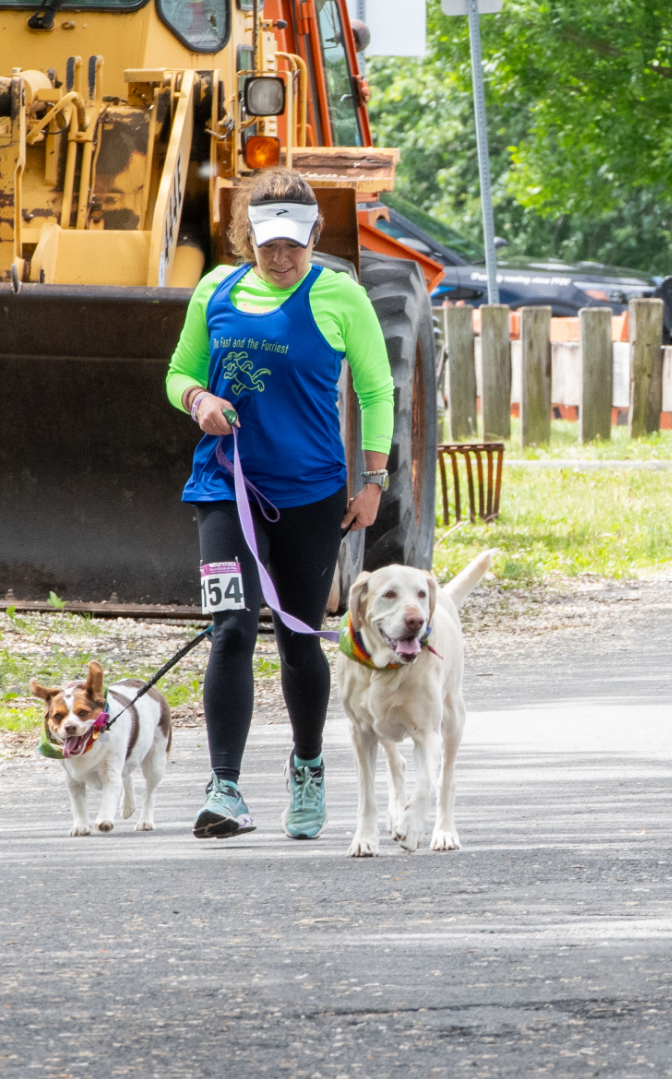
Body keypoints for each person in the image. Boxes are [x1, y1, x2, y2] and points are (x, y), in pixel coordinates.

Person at [165, 167, 394, 841]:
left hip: (310, 493)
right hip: (224, 486)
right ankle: (225, 787)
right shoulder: (215, 291)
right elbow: (179, 372)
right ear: (248, 237)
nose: (284, 256)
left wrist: (374, 480)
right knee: (230, 627)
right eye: (270, 244)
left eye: (296, 243)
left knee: (298, 639)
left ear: (314, 236)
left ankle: (308, 764)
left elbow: (377, 391)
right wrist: (199, 400)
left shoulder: (340, 295)